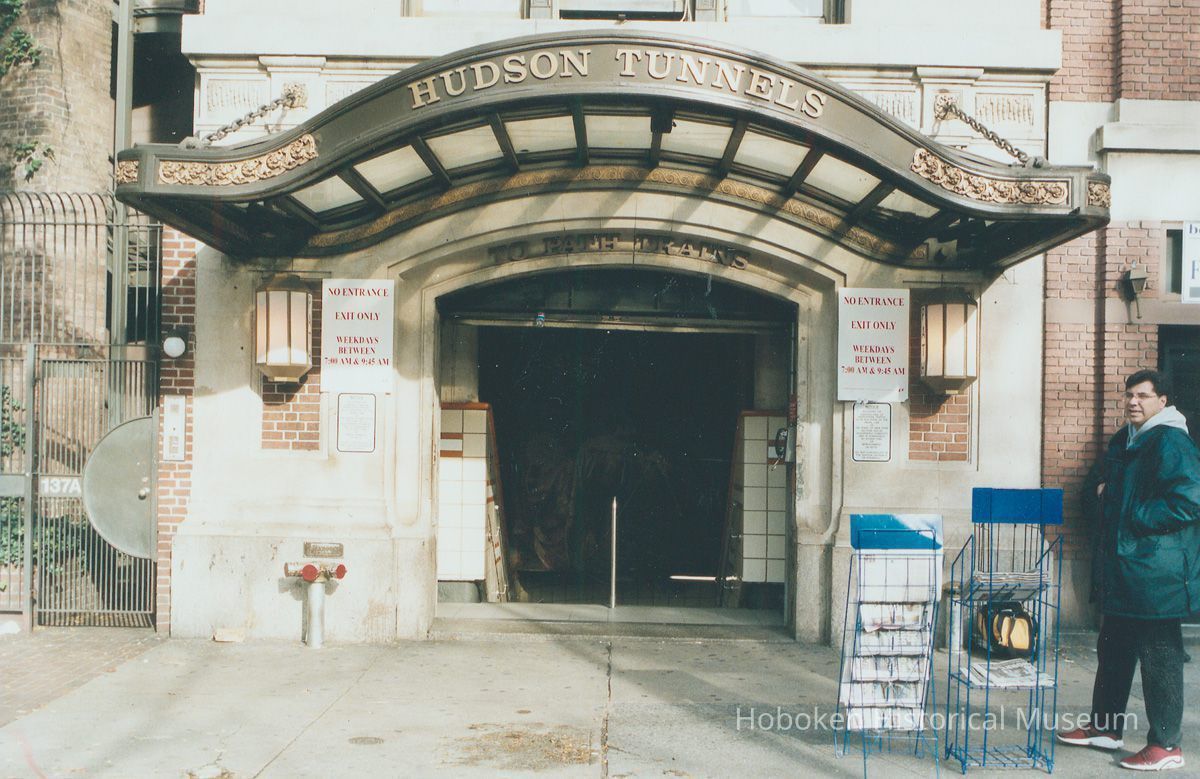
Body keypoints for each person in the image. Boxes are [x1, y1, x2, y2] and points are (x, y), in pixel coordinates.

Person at [1057, 369, 1200, 771]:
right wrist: (1103, 498)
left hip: (1157, 572)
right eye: (1129, 395)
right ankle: (1105, 729)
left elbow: (1189, 501)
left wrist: (1132, 513)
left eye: (1143, 396)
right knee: (1114, 648)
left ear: (1163, 401)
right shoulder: (1126, 438)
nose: (1133, 402)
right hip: (1126, 568)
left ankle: (1167, 746)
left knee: (1160, 656)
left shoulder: (1171, 441)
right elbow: (1099, 487)